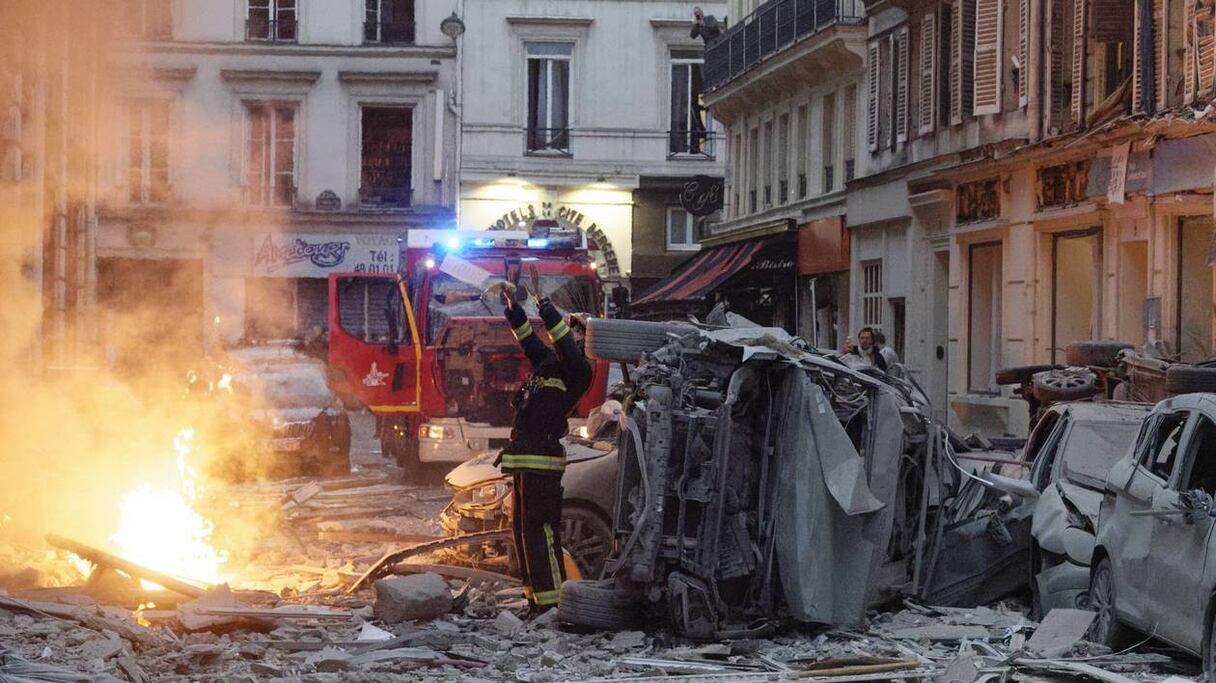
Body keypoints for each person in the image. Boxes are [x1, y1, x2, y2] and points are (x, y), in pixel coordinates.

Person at [486, 268, 593, 613]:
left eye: (576, 331)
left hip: (543, 461)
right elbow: (528, 339)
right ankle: (536, 601)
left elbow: (563, 343)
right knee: (523, 534)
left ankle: (554, 605)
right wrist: (513, 306)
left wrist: (545, 304)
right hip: (524, 458)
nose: (570, 335)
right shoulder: (548, 364)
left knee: (542, 532)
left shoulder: (579, 370)